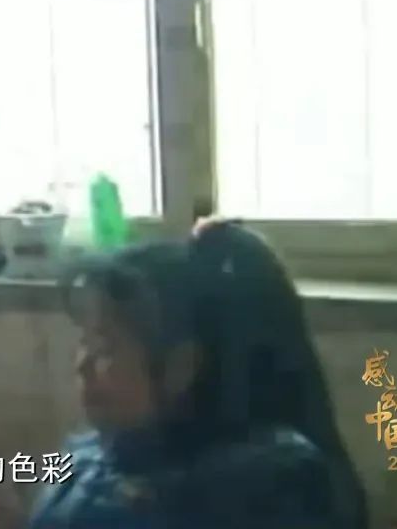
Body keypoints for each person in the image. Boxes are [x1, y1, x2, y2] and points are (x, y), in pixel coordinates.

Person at [29, 222, 369, 529]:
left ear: (182, 366)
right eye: (84, 341)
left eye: (105, 349)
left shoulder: (262, 494)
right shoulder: (94, 454)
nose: (83, 365)